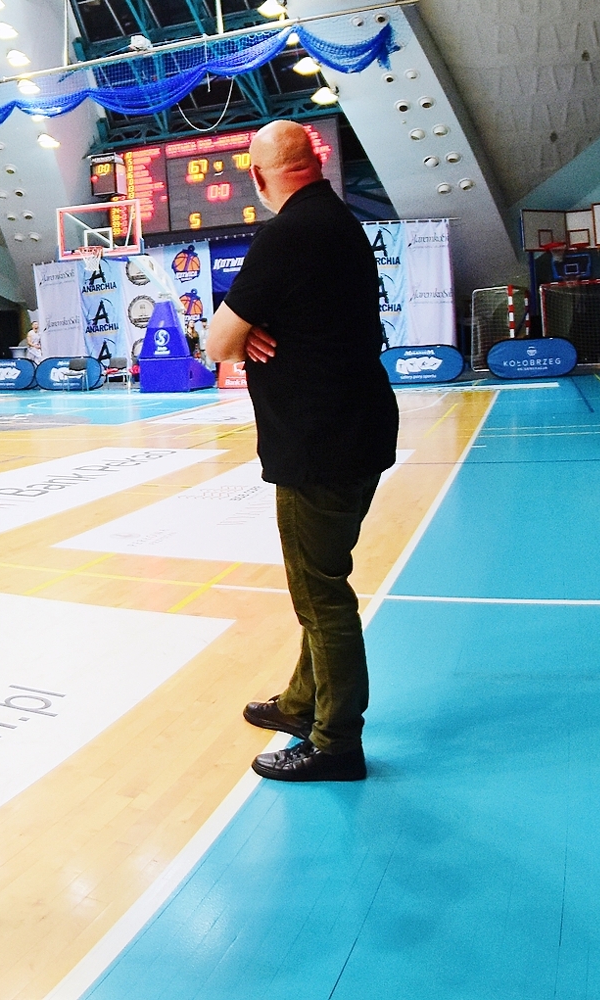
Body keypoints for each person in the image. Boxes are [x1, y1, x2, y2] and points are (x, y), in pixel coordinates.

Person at [206, 119, 399, 784]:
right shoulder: (336, 222)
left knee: (321, 597)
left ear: (258, 175)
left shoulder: (288, 233)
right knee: (323, 583)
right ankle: (300, 703)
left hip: (320, 444)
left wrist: (242, 329)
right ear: (314, 163)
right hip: (354, 432)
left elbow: (217, 343)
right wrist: (252, 326)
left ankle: (335, 741)